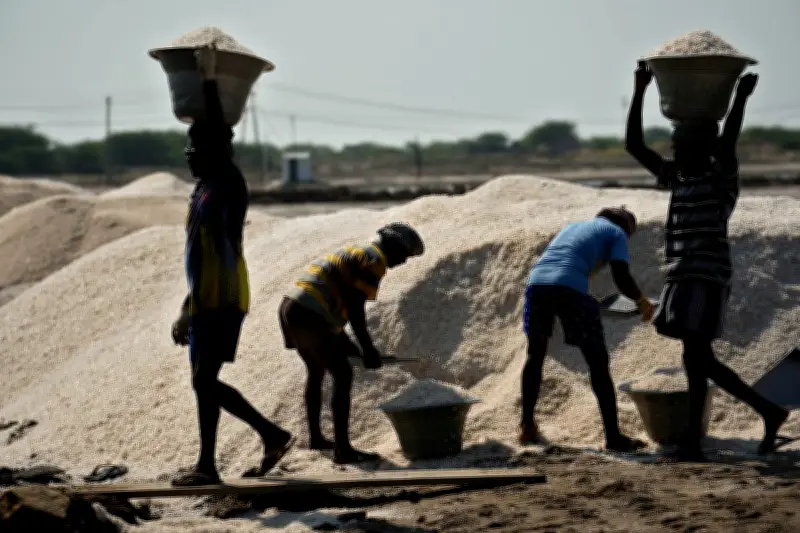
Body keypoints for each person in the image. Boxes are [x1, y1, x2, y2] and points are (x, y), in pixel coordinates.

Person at [625, 62, 789, 461]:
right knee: (694, 360)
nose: (675, 151)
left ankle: (768, 410)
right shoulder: (676, 176)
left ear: (705, 150)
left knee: (697, 357)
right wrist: (640, 88)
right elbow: (633, 145)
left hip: (705, 277)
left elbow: (728, 139)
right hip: (680, 276)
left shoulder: (720, 180)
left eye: (682, 146)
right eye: (675, 146)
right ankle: (696, 442)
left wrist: (739, 99)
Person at [170, 42, 294, 486]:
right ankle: (208, 465)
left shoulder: (226, 181)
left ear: (218, 151)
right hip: (205, 295)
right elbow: (196, 259)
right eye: (187, 148)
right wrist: (186, 308)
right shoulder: (201, 188)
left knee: (204, 381)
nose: (189, 154)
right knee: (202, 382)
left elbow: (217, 128)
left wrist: (206, 78)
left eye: (195, 147)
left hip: (223, 294)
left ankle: (270, 435)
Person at [278, 223, 424, 464]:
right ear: (393, 245)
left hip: (291, 307)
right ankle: (343, 450)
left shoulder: (356, 251)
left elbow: (337, 301)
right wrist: (368, 348)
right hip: (310, 312)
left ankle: (316, 438)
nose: (404, 262)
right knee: (342, 374)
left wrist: (345, 341)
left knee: (316, 371)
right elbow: (355, 309)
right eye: (404, 255)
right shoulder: (374, 260)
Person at [520, 207, 652, 452]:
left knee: (535, 354)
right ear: (626, 226)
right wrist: (641, 301)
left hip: (537, 283)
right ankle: (613, 437)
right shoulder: (617, 232)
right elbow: (621, 275)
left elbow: (566, 261)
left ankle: (527, 425)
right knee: (597, 362)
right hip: (568, 288)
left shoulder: (573, 227)